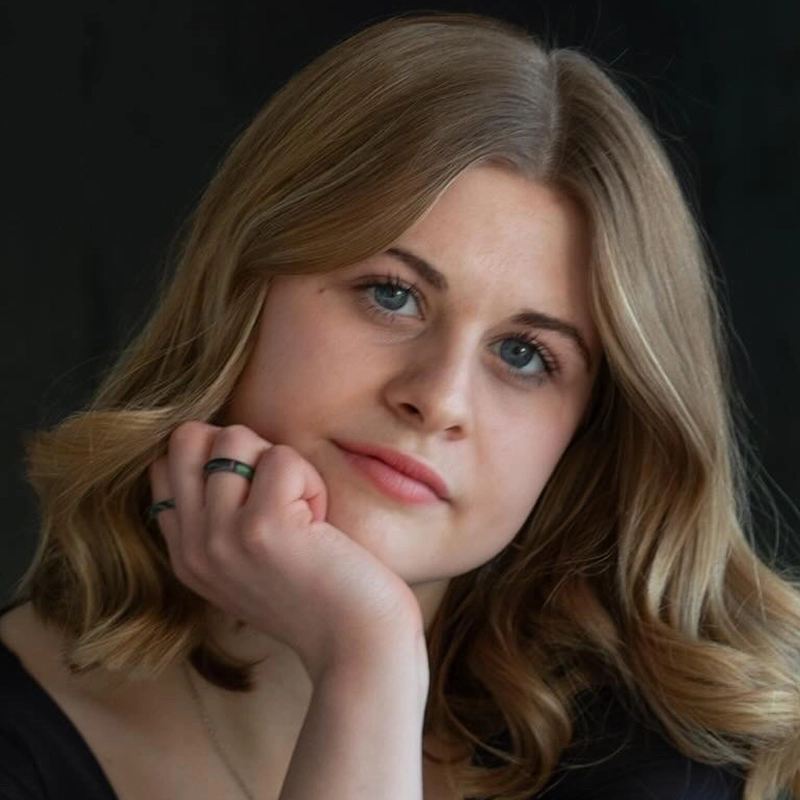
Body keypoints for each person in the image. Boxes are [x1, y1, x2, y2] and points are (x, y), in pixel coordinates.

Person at [1, 11, 799, 800]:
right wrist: (369, 660)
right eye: (392, 295)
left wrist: (365, 658)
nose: (439, 398)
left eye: (525, 355)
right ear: (241, 290)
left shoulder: (671, 760)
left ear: (585, 434)